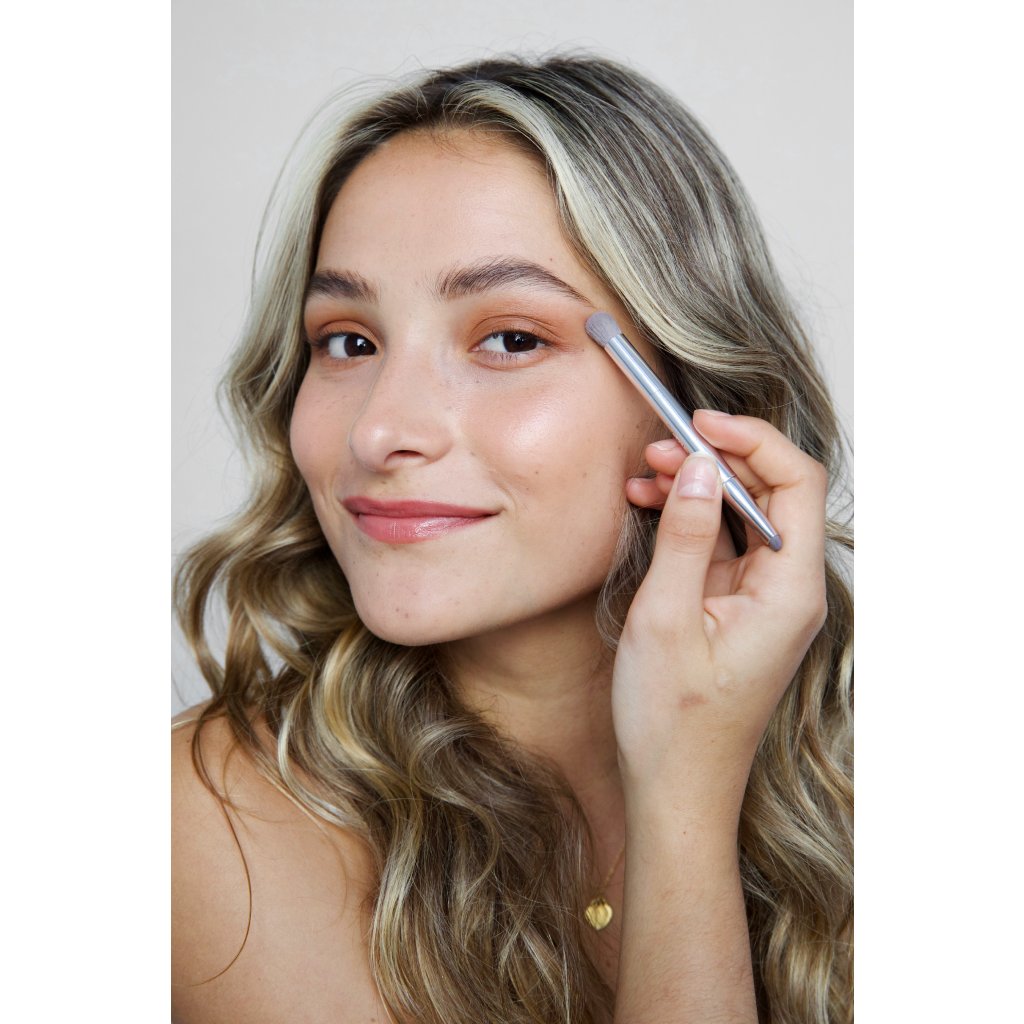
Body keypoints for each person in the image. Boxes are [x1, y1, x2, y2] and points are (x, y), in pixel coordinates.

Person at [172, 52, 853, 1024]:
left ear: (693, 404)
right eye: (348, 342)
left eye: (511, 339)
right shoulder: (197, 834)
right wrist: (684, 806)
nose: (379, 431)